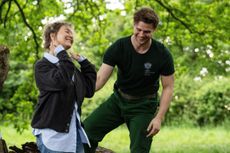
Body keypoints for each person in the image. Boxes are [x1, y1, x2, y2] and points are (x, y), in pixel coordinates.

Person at [83, 7, 175, 153]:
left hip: (144, 106)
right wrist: (79, 91)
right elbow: (100, 78)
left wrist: (159, 118)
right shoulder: (119, 47)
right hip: (118, 100)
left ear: (154, 30)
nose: (142, 34)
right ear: (134, 25)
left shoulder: (162, 54)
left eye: (147, 31)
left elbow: (168, 87)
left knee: (140, 149)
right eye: (139, 29)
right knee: (86, 132)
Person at [31, 21, 96, 153]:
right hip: (53, 137)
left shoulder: (70, 68)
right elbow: (61, 81)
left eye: (72, 33)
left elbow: (88, 90)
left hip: (74, 136)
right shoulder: (42, 66)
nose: (71, 35)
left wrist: (84, 63)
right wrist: (61, 53)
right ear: (53, 36)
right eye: (67, 31)